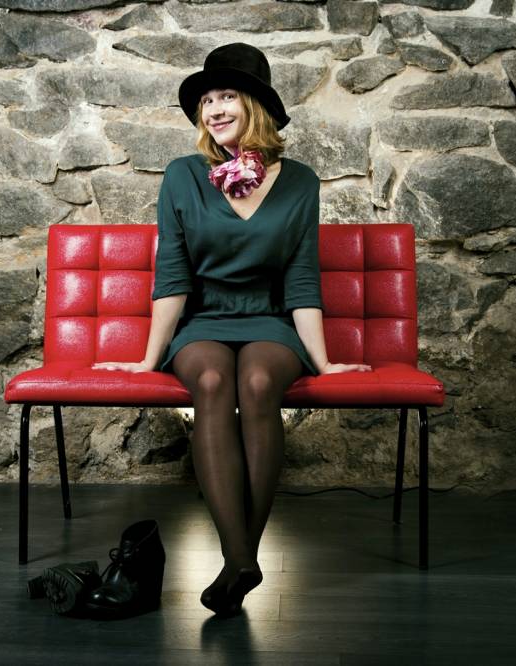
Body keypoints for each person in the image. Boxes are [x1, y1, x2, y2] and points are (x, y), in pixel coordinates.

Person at [93, 43, 371, 616]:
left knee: (260, 383)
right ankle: (238, 557)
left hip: (270, 319)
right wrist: (147, 359)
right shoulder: (183, 176)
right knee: (214, 382)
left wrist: (324, 362)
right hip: (204, 321)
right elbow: (172, 275)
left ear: (255, 107)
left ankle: (244, 555)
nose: (215, 109)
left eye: (227, 97)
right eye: (207, 101)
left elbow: (301, 279)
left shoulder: (300, 182)